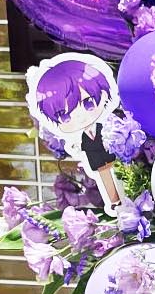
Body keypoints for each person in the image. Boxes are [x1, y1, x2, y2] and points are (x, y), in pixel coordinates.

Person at [26, 56, 124, 213]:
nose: (80, 116)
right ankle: (115, 200)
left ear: (104, 94)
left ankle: (120, 197)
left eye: (88, 102)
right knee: (105, 177)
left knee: (119, 173)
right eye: (65, 116)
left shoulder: (108, 126)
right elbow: (80, 147)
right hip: (95, 158)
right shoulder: (82, 136)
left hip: (111, 153)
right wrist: (74, 147)